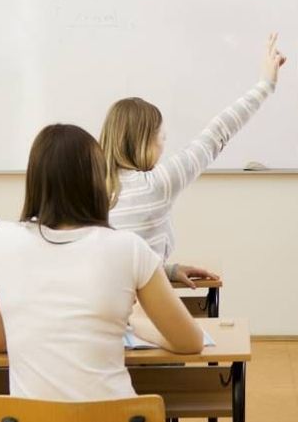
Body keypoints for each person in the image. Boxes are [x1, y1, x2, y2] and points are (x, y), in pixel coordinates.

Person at [0, 123, 203, 422]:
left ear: (35, 181)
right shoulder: (126, 249)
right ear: (98, 182)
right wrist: (134, 324)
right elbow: (190, 341)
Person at [101, 34, 286, 286]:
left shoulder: (92, 191)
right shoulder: (155, 184)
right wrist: (266, 84)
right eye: (161, 137)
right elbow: (217, 133)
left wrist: (167, 270)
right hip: (137, 312)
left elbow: (118, 268)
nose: (163, 145)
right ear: (145, 142)